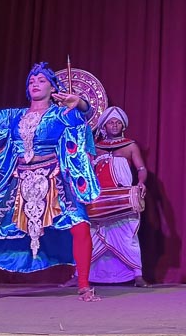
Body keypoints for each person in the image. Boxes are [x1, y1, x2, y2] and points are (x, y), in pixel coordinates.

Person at [0, 62, 101, 302]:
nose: (35, 84)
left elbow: (86, 114)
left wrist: (78, 103)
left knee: (80, 225)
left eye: (41, 80)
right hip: (17, 182)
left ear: (53, 87)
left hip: (53, 180)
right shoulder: (14, 116)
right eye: (31, 81)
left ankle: (83, 286)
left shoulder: (61, 113)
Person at [62, 106, 149, 287]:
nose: (115, 125)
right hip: (98, 198)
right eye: (111, 122)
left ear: (123, 125)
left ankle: (137, 275)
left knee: (127, 236)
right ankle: (79, 275)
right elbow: (85, 169)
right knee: (90, 235)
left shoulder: (130, 146)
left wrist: (141, 182)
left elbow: (141, 168)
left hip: (121, 199)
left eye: (118, 122)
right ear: (104, 126)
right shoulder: (95, 146)